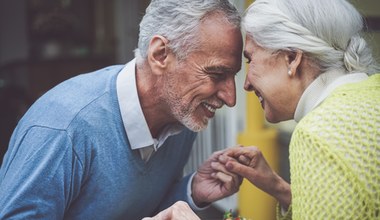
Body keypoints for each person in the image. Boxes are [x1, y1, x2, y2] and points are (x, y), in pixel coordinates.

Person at [0, 0, 243, 219]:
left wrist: (192, 191)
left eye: (232, 76)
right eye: (217, 74)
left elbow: (143, 210)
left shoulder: (183, 114)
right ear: (160, 55)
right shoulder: (64, 129)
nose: (230, 98)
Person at [219, 0, 380, 219]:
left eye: (250, 60)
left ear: (292, 58)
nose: (245, 84)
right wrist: (279, 188)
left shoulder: (317, 134)